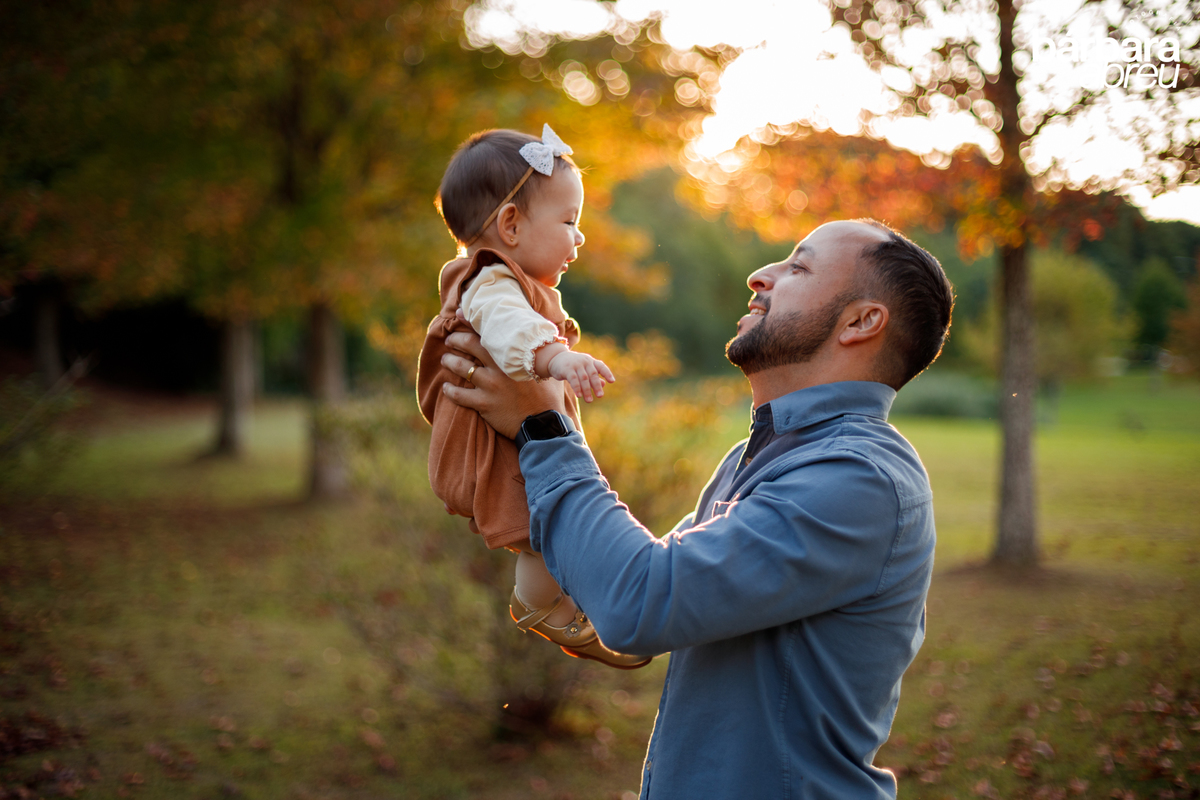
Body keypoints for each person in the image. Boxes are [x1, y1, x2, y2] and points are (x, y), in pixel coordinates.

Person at [440, 219, 955, 799]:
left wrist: (543, 426)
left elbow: (642, 603)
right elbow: (639, 612)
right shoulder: (759, 455)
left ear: (861, 322)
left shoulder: (859, 479)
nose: (760, 275)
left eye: (799, 267)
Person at [415, 124, 649, 670]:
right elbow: (510, 329)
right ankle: (541, 606)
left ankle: (565, 602)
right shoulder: (492, 284)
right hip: (494, 446)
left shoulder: (514, 282)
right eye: (570, 221)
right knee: (538, 526)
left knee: (550, 520)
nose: (581, 237)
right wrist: (557, 359)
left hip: (516, 432)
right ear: (512, 225)